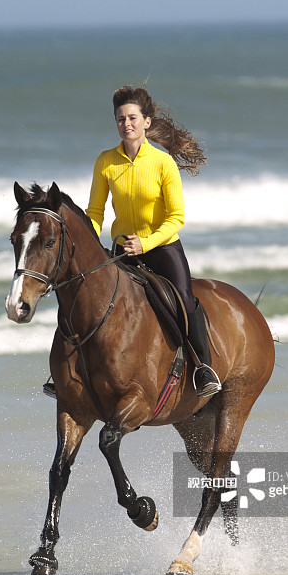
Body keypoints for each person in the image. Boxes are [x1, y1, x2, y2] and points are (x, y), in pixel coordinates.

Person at [85, 85, 221, 398]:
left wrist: (145, 244)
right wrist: (90, 245)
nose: (126, 123)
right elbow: (94, 213)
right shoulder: (105, 162)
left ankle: (203, 367)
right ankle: (68, 372)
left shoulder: (162, 163)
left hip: (162, 248)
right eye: (120, 118)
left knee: (185, 302)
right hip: (122, 251)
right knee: (83, 298)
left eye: (132, 117)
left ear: (146, 122)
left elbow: (176, 218)